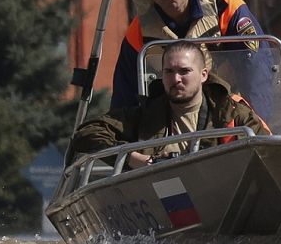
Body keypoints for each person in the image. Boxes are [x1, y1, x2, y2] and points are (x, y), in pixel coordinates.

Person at [70, 40, 270, 167]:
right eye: (169, 72)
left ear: (203, 75)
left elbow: (271, 154)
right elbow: (86, 134)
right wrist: (131, 157)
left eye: (184, 71)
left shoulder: (233, 114)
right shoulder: (144, 115)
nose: (176, 79)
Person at [111, 0, 261, 109]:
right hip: (170, 124)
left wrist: (259, 128)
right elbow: (125, 98)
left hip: (227, 113)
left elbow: (257, 72)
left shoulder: (226, 6)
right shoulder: (138, 31)